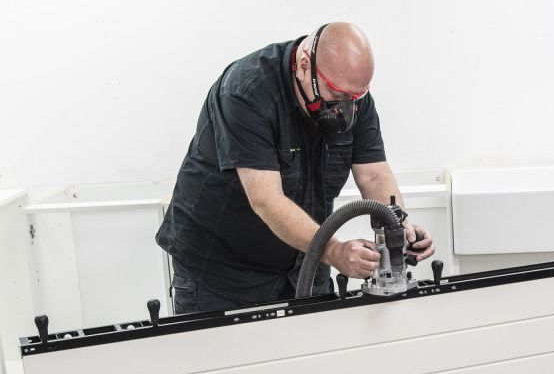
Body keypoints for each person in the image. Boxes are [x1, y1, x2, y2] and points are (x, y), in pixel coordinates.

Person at [156, 22, 435, 313]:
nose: (346, 108)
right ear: (304, 66)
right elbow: (266, 199)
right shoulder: (246, 92)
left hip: (304, 262)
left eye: (356, 98)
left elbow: (374, 174)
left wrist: (398, 228)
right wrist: (333, 250)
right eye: (338, 96)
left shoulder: (351, 94)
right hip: (223, 274)